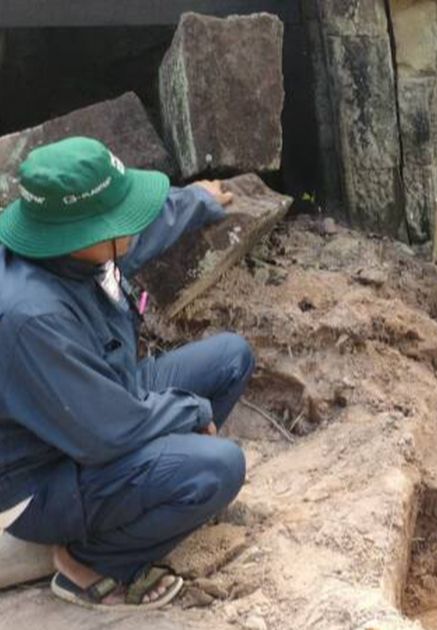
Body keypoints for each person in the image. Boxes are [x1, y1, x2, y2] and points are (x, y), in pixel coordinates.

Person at [0, 137, 253, 609]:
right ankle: (91, 561)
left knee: (230, 358)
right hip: (42, 474)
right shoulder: (31, 319)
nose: (132, 224)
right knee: (221, 465)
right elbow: (107, 432)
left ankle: (155, 494)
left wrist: (196, 201)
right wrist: (190, 412)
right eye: (119, 218)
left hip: (94, 403)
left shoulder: (69, 251)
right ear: (84, 235)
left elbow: (141, 233)